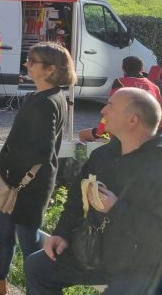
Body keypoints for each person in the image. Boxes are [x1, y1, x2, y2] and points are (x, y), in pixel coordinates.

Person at [0, 42, 76, 295]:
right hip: (20, 182)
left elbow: (42, 151)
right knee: (4, 229)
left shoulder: (46, 102)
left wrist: (9, 165)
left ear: (48, 69)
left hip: (27, 186)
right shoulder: (46, 96)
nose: (26, 64)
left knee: (30, 245)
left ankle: (41, 290)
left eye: (31, 61)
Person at [25, 87, 162, 295]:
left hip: (142, 267)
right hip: (94, 252)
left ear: (132, 120)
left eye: (111, 106)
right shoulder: (102, 155)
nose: (103, 111)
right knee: (38, 267)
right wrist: (61, 233)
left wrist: (116, 208)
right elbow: (75, 201)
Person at [79, 55, 162, 142]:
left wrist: (101, 131)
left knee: (83, 135)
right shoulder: (154, 87)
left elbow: (110, 110)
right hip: (151, 134)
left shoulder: (120, 83)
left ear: (123, 69)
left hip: (123, 133)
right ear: (142, 69)